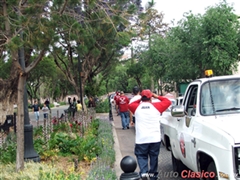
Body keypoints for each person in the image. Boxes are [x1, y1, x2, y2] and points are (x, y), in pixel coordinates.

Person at [128, 89, 171, 179]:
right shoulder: (157, 106)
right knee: (154, 157)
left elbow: (130, 105)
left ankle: (143, 172)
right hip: (154, 138)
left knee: (141, 156)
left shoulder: (136, 107)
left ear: (142, 97)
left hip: (141, 139)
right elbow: (167, 101)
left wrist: (140, 98)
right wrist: (156, 96)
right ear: (150, 98)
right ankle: (153, 175)